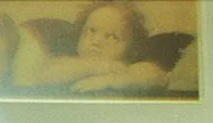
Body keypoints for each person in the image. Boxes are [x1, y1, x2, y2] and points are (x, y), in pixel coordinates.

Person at [12, 0, 191, 95]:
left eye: (111, 36)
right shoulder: (68, 62)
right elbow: (43, 74)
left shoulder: (129, 67)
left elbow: (156, 76)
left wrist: (112, 80)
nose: (96, 41)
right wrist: (96, 66)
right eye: (91, 31)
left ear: (131, 50)